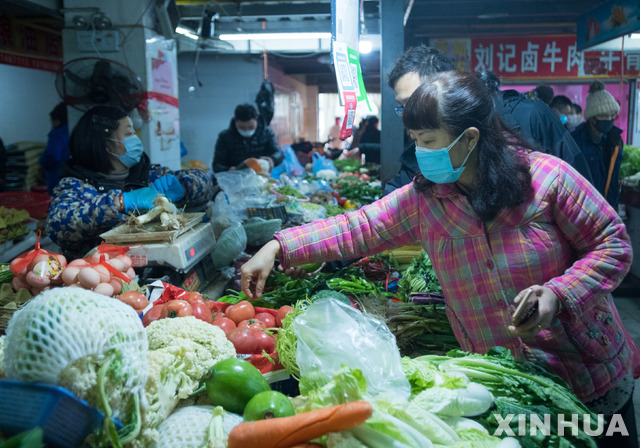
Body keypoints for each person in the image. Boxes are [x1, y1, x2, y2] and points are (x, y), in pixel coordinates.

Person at [241, 71, 639, 447]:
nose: (420, 152)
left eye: (429, 140)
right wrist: (279, 246)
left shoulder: (548, 179)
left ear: (469, 138)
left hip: (587, 373)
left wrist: (558, 294)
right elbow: (356, 227)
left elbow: (613, 245)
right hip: (508, 387)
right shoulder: (425, 200)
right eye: (415, 139)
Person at [384, 46, 593, 194]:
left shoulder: (530, 117)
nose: (409, 118)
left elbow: (584, 198)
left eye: (414, 103)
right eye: (402, 107)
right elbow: (398, 197)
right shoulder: (430, 146)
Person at [45, 105, 213, 260]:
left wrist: (185, 187)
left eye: (135, 132)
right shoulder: (75, 185)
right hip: (104, 276)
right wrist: (121, 203)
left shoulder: (149, 174)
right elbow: (57, 225)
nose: (136, 139)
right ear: (106, 145)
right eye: (129, 134)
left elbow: (205, 180)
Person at [571, 81, 624, 209]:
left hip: (610, 207)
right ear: (592, 117)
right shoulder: (575, 140)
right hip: (584, 210)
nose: (610, 119)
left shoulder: (615, 141)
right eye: (605, 115)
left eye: (613, 115)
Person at [212, 103, 283, 173]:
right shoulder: (225, 137)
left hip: (261, 177)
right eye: (242, 127)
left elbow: (278, 153)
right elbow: (216, 165)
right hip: (235, 178)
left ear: (256, 119)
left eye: (251, 127)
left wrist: (272, 159)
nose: (247, 130)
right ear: (235, 120)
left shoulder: (267, 133)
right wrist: (229, 169)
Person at [40, 102, 70, 195]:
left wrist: (42, 162)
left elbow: (52, 155)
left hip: (56, 176)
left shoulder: (57, 134)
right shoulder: (72, 130)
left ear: (56, 120)